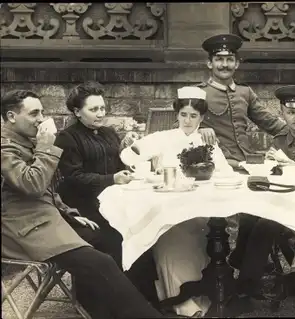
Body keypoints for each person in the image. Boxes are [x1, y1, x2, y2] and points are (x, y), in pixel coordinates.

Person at [0, 89, 164, 319]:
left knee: (116, 238)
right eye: (34, 113)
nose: (41, 119)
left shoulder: (27, 142)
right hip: (22, 231)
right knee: (100, 262)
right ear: (11, 116)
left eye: (42, 112)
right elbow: (33, 185)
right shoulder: (5, 148)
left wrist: (68, 213)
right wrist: (46, 148)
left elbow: (46, 190)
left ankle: (111, 310)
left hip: (46, 221)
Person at [120, 86, 234, 318]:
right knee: (170, 241)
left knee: (204, 238)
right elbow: (129, 157)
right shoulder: (163, 138)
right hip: (169, 211)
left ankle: (204, 295)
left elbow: (226, 174)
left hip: (200, 212)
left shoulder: (208, 142)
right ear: (177, 115)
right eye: (183, 114)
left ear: (202, 118)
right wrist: (131, 143)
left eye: (194, 116)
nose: (188, 120)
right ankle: (181, 301)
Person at [53, 81, 159, 309]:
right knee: (118, 238)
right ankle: (111, 305)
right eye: (94, 109)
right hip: (84, 207)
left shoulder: (108, 133)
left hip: (115, 201)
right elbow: (73, 178)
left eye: (102, 108)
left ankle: (145, 300)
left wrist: (131, 154)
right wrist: (111, 179)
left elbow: (119, 163)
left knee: (144, 229)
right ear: (76, 112)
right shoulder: (67, 138)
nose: (101, 114)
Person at [194, 33, 288, 276]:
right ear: (209, 63)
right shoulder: (198, 94)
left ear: (237, 63)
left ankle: (243, 263)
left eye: (229, 59)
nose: (224, 64)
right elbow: (183, 128)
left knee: (262, 213)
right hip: (217, 167)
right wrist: (198, 127)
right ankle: (229, 268)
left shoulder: (245, 93)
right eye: (219, 59)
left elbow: (270, 122)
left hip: (247, 164)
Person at [234, 85, 295, 299]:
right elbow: (275, 177)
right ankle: (241, 267)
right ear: (282, 113)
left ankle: (246, 286)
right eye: (291, 112)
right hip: (281, 201)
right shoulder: (279, 138)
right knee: (248, 216)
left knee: (265, 225)